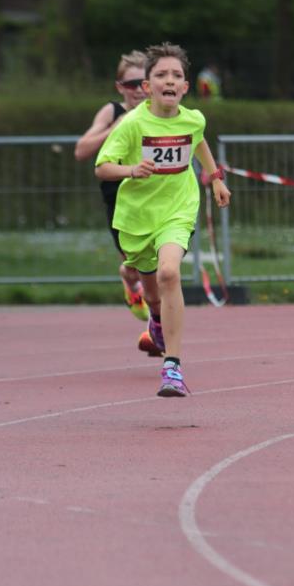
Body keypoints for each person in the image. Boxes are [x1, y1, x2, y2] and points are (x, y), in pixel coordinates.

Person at [95, 42, 231, 397]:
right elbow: (102, 167)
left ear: (185, 86)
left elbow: (197, 140)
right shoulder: (132, 125)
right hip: (138, 217)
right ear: (147, 86)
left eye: (176, 75)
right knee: (152, 294)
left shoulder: (194, 118)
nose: (169, 80)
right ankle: (155, 317)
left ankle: (172, 367)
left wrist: (215, 178)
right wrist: (131, 169)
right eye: (161, 75)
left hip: (178, 207)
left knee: (170, 272)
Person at [75, 51, 150, 321]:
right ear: (120, 87)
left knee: (158, 264)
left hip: (154, 194)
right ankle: (130, 284)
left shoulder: (159, 112)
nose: (139, 90)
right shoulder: (112, 111)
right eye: (132, 85)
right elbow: (81, 150)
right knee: (133, 267)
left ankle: (158, 330)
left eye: (144, 83)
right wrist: (115, 127)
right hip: (119, 196)